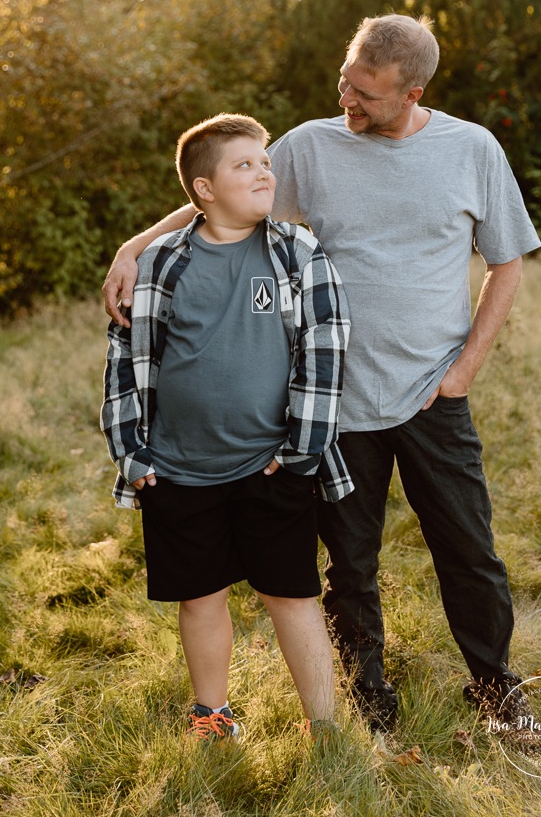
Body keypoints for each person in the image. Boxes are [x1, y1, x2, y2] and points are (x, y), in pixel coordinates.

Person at [103, 16, 541, 734]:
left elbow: (507, 261)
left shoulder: (470, 150)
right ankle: (366, 689)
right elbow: (221, 194)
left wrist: (463, 371)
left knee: (468, 551)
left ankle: (494, 684)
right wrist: (136, 244)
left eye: (365, 92)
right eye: (345, 79)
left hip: (433, 393)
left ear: (412, 91)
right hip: (330, 403)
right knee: (349, 564)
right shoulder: (310, 145)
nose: (347, 97)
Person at [101, 113, 351, 741]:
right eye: (244, 165)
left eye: (265, 162)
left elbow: (325, 351)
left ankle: (325, 725)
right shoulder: (161, 264)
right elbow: (125, 364)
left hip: (271, 462)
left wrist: (300, 453)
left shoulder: (296, 252)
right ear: (204, 189)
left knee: (291, 594)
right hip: (178, 468)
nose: (264, 171)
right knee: (199, 595)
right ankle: (211, 715)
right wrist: (133, 455)